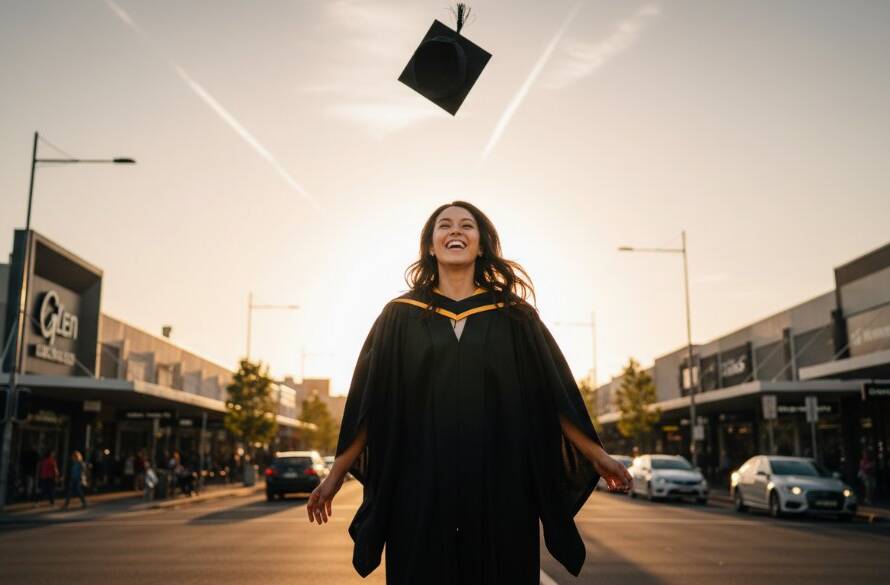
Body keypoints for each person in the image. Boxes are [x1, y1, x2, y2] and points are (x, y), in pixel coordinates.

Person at [307, 202, 633, 584]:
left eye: (467, 226)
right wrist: (334, 475)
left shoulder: (515, 316)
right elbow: (369, 405)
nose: (455, 231)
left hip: (501, 484)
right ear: (431, 245)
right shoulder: (399, 316)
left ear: (481, 245)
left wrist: (598, 456)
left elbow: (553, 396)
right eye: (444, 226)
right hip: (421, 486)